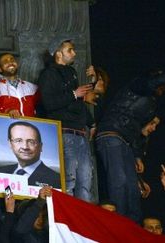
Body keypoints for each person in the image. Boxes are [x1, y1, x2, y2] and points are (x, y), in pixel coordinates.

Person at [95, 62, 165, 222]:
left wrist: (137, 157)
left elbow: (137, 129)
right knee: (119, 180)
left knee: (133, 186)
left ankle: (133, 225)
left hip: (126, 142)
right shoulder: (138, 86)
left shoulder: (151, 103)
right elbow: (151, 83)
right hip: (111, 134)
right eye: (162, 84)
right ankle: (119, 222)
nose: (164, 88)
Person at [37, 36, 96, 202]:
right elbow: (49, 103)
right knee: (68, 181)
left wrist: (90, 122)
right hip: (64, 132)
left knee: (86, 181)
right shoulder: (48, 74)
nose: (74, 53)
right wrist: (73, 94)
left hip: (80, 133)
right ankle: (67, 221)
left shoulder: (72, 73)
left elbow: (79, 102)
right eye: (70, 49)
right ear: (58, 53)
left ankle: (83, 223)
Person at [0, 121, 61, 188]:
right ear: (10, 144)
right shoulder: (1, 171)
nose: (25, 147)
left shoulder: (56, 180)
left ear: (40, 146)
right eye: (18, 140)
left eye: (31, 142)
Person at [0, 53, 39, 118]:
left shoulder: (31, 87)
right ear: (0, 69)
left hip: (29, 126)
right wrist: (7, 111)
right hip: (4, 127)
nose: (10, 62)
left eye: (12, 59)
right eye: (5, 61)